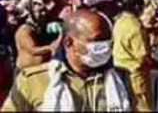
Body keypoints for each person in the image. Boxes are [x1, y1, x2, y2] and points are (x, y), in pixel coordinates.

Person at [1, 9, 135, 112]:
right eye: (97, 40)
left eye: (108, 40)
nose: (105, 46)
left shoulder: (120, 79)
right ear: (68, 42)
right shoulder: (34, 80)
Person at [112, 0, 151, 112]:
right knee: (142, 107)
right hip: (135, 75)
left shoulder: (119, 21)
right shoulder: (136, 26)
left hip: (118, 70)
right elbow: (142, 55)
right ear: (137, 6)